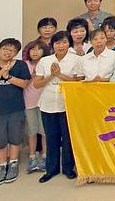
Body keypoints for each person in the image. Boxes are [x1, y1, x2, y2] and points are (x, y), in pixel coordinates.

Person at [33, 31, 85, 182]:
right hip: (47, 103)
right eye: (57, 43)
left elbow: (79, 83)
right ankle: (51, 169)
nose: (60, 46)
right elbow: (36, 84)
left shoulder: (77, 60)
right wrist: (51, 76)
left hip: (67, 103)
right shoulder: (45, 60)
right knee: (51, 137)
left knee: (68, 138)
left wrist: (60, 75)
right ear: (52, 45)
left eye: (64, 42)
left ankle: (68, 168)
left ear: (69, 44)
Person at [0, 38, 31, 185]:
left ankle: (13, 164)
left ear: (16, 53)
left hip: (16, 108)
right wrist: (1, 72)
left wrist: (9, 76)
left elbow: (24, 84)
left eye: (12, 50)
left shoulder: (21, 66)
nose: (8, 52)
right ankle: (1, 167)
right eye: (5, 49)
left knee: (15, 138)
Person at [21, 40, 49, 174]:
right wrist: (31, 77)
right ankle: (32, 157)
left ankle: (44, 157)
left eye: (39, 49)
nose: (35, 52)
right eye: (32, 49)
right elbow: (23, 84)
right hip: (28, 102)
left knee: (44, 131)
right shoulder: (24, 65)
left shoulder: (47, 63)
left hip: (45, 102)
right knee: (31, 131)